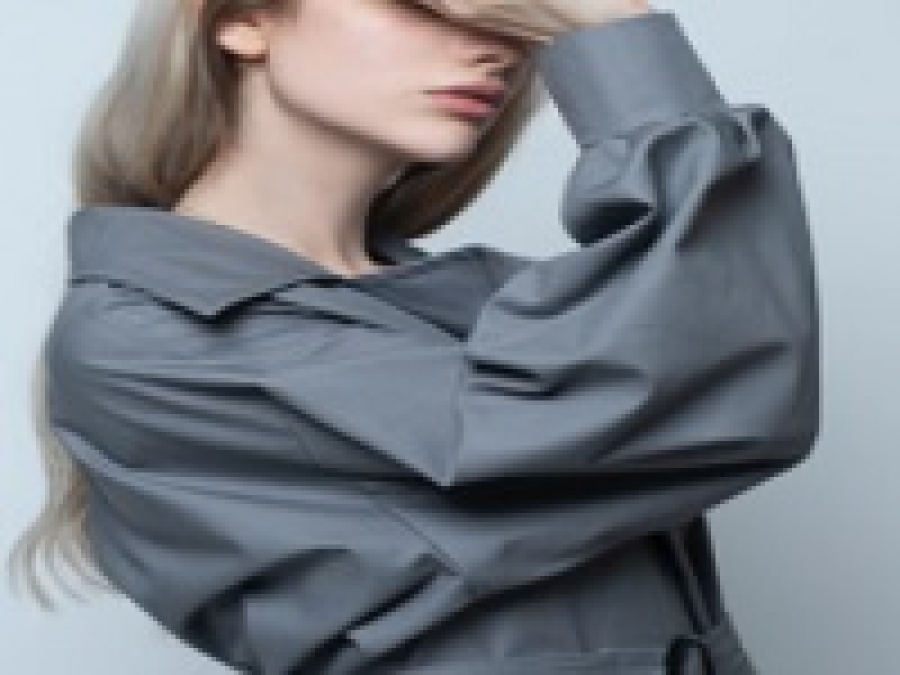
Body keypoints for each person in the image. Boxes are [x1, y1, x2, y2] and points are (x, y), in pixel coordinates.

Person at [8, 0, 821, 673]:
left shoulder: (464, 306)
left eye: (508, 15)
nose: (496, 47)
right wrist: (615, 27)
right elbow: (712, 372)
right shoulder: (150, 337)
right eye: (425, 3)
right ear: (243, 19)